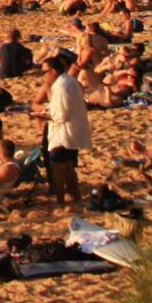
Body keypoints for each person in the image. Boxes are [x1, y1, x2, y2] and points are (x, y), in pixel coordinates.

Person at [34, 56, 92, 209]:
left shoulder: (62, 86)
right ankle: (76, 196)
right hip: (73, 130)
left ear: (53, 71)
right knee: (67, 166)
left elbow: (61, 115)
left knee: (57, 165)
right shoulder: (70, 81)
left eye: (45, 72)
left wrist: (43, 115)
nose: (44, 76)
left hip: (64, 133)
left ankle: (59, 199)